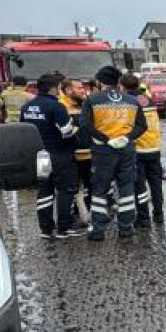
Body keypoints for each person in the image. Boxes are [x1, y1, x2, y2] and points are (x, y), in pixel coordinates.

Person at [79, 66, 146, 241]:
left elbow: (85, 125)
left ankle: (98, 230)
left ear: (100, 81)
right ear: (118, 82)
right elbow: (142, 126)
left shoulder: (92, 100)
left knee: (100, 189)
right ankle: (126, 228)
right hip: (126, 150)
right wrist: (126, 137)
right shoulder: (132, 100)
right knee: (126, 187)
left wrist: (106, 138)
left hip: (103, 151)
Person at [20, 74, 84, 239]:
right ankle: (64, 228)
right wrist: (77, 143)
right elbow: (67, 132)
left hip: (40, 156)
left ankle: (46, 229)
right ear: (53, 88)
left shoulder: (27, 107)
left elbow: (24, 131)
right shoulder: (57, 107)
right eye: (58, 87)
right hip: (59, 155)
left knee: (44, 191)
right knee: (65, 190)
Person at [120, 74, 164, 226]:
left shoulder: (128, 102)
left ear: (123, 87)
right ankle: (159, 215)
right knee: (156, 184)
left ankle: (143, 217)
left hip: (138, 149)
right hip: (154, 147)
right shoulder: (148, 99)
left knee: (140, 186)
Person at [59, 77, 92, 227]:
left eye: (82, 87)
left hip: (88, 153)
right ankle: (75, 215)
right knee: (72, 187)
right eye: (78, 88)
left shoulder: (85, 103)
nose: (82, 90)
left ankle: (87, 213)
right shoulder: (61, 106)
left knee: (90, 185)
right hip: (71, 155)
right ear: (68, 90)